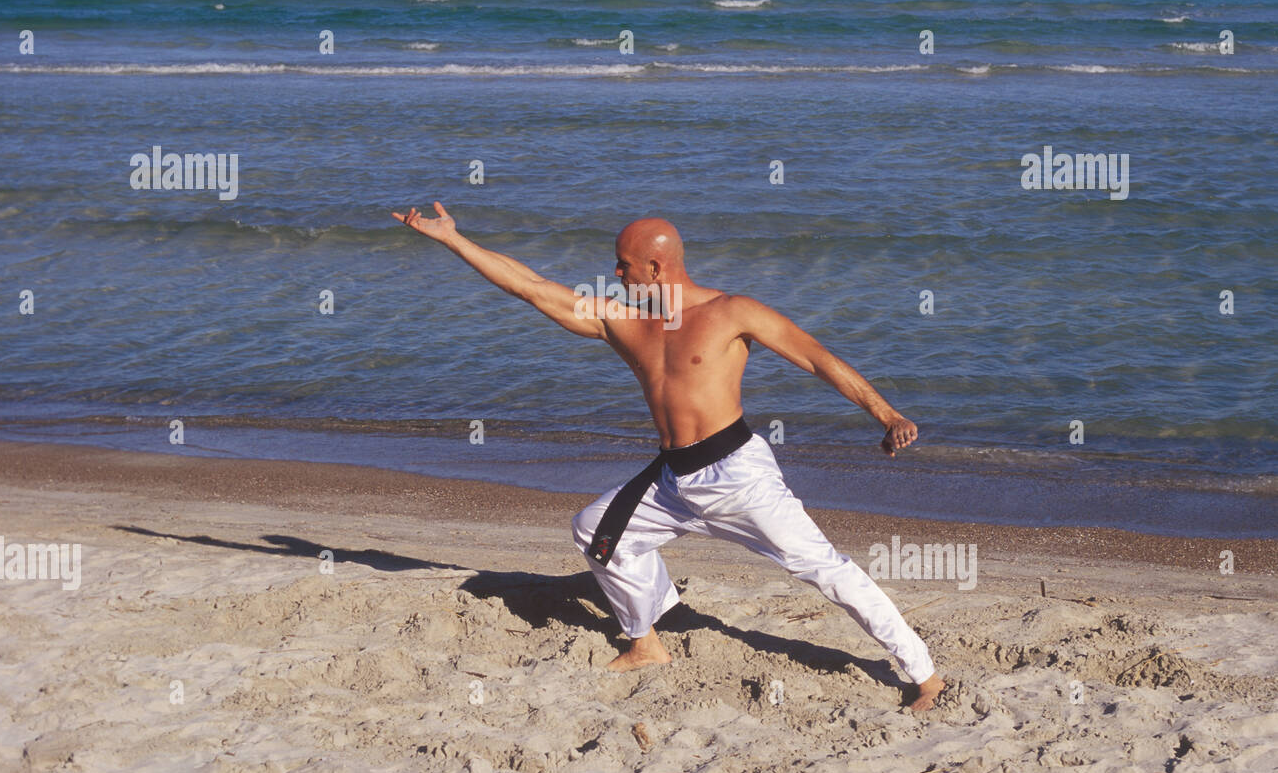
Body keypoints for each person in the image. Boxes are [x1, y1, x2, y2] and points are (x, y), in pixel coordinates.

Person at [392, 202, 945, 712]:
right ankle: (646, 642)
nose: (616, 275)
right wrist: (453, 240)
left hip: (740, 478)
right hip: (672, 479)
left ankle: (923, 674)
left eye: (624, 265)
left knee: (826, 571)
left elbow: (818, 360)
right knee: (597, 534)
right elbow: (533, 287)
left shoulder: (733, 312)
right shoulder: (622, 322)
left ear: (656, 268)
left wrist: (887, 415)